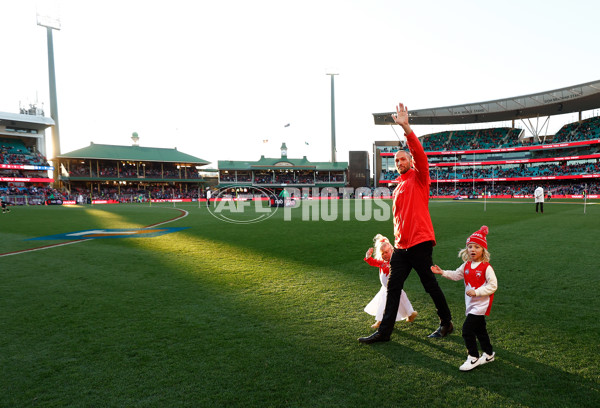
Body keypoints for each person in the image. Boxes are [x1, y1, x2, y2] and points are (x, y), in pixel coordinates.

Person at [358, 103, 453, 344]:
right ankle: (384, 332)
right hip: (402, 247)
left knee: (430, 286)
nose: (399, 162)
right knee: (392, 288)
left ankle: (446, 322)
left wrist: (406, 128)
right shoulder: (399, 185)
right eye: (396, 160)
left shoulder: (420, 177)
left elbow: (420, 155)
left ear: (410, 161)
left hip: (420, 244)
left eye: (403, 159)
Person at [431, 225, 498, 371]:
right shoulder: (466, 265)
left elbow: (493, 286)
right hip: (471, 304)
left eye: (477, 247)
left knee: (467, 330)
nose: (473, 250)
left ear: (483, 250)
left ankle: (473, 358)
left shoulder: (486, 267)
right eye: (470, 246)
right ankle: (488, 353)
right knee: (480, 330)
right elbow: (456, 275)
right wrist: (442, 272)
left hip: (481, 305)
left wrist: (477, 292)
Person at [363, 234, 418, 329]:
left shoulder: (394, 262)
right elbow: (373, 262)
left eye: (386, 252)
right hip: (385, 289)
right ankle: (381, 320)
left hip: (393, 287)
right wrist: (368, 256)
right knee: (384, 303)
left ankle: (409, 313)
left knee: (401, 301)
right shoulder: (382, 263)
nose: (384, 255)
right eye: (382, 254)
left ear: (392, 250)